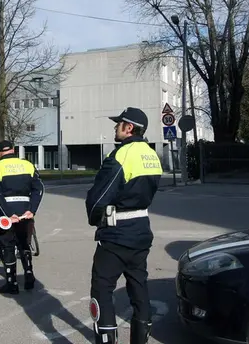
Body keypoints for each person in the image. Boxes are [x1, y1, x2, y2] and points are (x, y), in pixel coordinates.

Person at [85, 107, 163, 344]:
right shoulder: (151, 155)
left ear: (129, 128)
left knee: (102, 289)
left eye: (118, 124)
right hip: (141, 232)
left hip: (116, 235)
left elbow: (99, 198)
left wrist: (93, 218)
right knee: (139, 289)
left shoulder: (120, 155)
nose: (115, 127)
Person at [0, 140, 44, 294]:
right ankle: (29, 276)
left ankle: (12, 283)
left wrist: (7, 213)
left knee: (8, 246)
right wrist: (32, 210)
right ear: (13, 150)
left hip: (7, 214)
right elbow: (38, 188)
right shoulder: (28, 165)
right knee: (24, 245)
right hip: (25, 212)